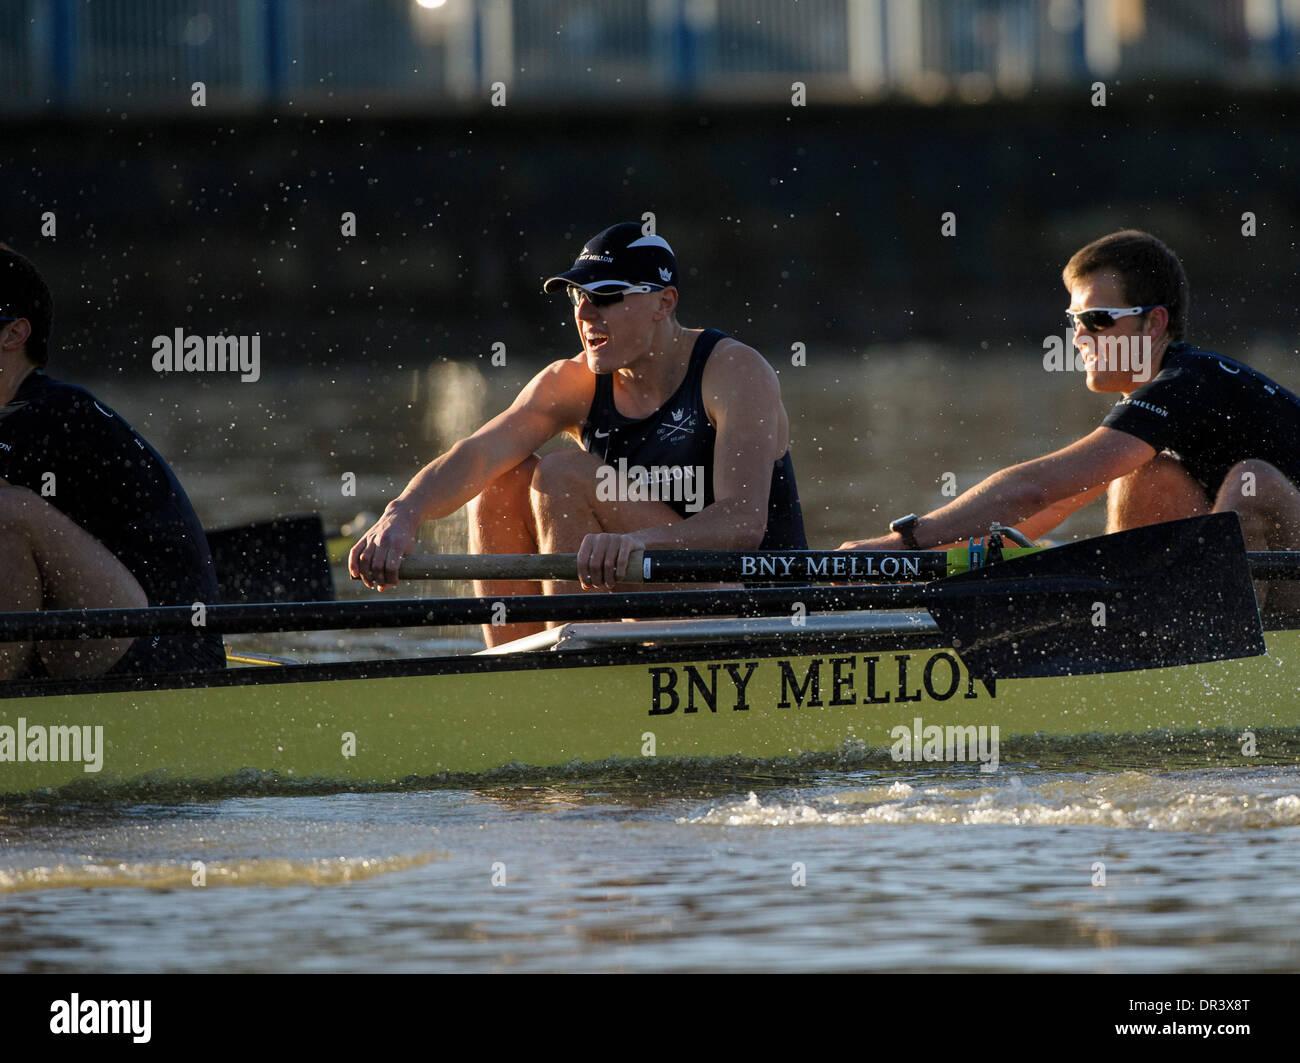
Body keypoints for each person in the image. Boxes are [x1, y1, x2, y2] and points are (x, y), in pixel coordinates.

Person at [349, 222, 806, 645]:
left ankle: (577, 668)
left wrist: (638, 543)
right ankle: (520, 674)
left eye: (605, 295)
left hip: (752, 609)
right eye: (575, 297)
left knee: (563, 473)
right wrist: (403, 513)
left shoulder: (734, 372)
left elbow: (743, 520)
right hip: (653, 591)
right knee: (505, 478)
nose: (585, 313)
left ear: (663, 303)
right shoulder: (572, 383)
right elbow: (479, 455)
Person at [841, 229, 1300, 609]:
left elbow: (1032, 487)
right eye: (1075, 319)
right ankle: (1145, 638)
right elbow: (1052, 503)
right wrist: (916, 572)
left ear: (1154, 324)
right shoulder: (1159, 407)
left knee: (1251, 479)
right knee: (1145, 474)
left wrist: (900, 545)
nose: (1079, 336)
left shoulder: (1184, 382)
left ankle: (1212, 656)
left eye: (1098, 319)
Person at [0, 244, 225, 679]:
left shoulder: (53, 412)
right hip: (104, 634)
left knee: (9, 511)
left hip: (168, 656)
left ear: (13, 334)